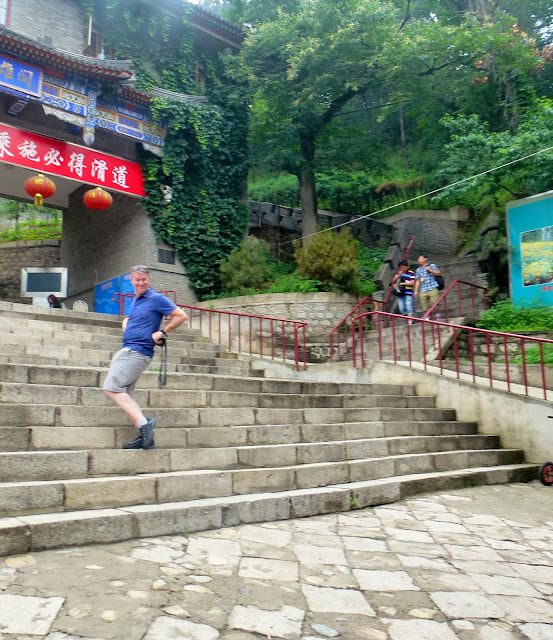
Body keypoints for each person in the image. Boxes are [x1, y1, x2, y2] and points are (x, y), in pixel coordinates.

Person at [103, 265, 187, 450]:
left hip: (136, 351)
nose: (140, 283)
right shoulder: (136, 300)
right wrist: (127, 323)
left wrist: (163, 332)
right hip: (132, 350)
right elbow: (138, 321)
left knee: (111, 388)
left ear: (149, 280)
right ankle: (145, 438)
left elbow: (180, 315)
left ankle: (145, 425)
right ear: (131, 281)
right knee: (125, 394)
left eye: (144, 279)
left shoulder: (156, 298)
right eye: (137, 279)